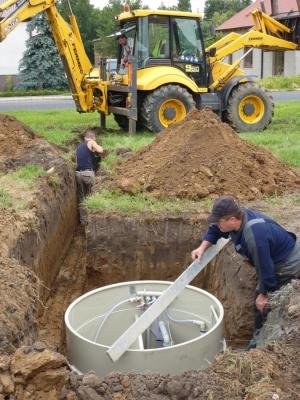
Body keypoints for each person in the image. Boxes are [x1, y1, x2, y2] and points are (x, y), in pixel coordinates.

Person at [191, 196, 300, 350]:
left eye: (219, 221)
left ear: (232, 219)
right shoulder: (237, 221)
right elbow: (216, 229)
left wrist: (264, 293)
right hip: (271, 256)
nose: (215, 224)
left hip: (287, 263)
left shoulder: (254, 234)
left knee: (264, 303)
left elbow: (266, 267)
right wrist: (202, 248)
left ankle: (259, 345)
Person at [75, 130, 103, 203]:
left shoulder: (78, 147)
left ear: (85, 138)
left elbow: (77, 162)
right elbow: (100, 150)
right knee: (91, 196)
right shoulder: (91, 142)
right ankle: (91, 213)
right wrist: (96, 146)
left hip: (78, 174)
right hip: (88, 174)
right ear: (93, 138)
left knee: (82, 198)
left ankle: (83, 214)